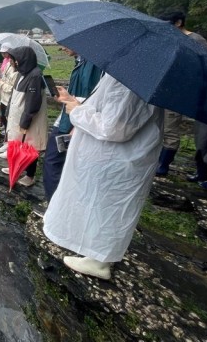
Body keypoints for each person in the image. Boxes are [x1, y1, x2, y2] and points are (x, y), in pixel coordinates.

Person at [43, 74, 163, 280]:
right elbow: (108, 107)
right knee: (99, 203)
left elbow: (115, 127)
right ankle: (94, 251)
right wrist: (74, 101)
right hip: (111, 158)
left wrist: (77, 111)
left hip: (116, 160)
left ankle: (99, 260)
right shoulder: (132, 70)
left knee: (107, 206)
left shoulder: (132, 75)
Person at [42, 48, 102, 201]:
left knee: (53, 161)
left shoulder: (93, 63)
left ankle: (54, 204)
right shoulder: (82, 60)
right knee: (62, 162)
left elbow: (93, 97)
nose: (61, 47)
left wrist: (74, 105)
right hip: (71, 118)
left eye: (64, 44)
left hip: (75, 121)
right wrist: (68, 96)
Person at [155, 11, 207, 176]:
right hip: (168, 89)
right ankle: (159, 161)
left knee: (171, 127)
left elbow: (205, 66)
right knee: (161, 126)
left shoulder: (196, 40)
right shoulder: (173, 39)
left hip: (181, 92)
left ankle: (163, 166)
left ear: (178, 23)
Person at [0, 46, 47, 187]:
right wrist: (8, 112)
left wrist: (25, 122)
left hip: (28, 119)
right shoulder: (21, 73)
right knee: (16, 144)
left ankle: (30, 175)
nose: (11, 62)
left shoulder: (35, 76)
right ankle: (15, 167)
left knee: (29, 147)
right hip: (16, 116)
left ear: (21, 60)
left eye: (13, 60)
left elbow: (33, 103)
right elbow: (14, 95)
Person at [0, 43, 19, 153]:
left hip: (10, 99)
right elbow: (4, 78)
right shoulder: (9, 64)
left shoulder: (16, 69)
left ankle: (11, 145)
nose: (4, 55)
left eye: (5, 53)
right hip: (3, 98)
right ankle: (7, 142)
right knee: (5, 120)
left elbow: (11, 88)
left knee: (11, 123)